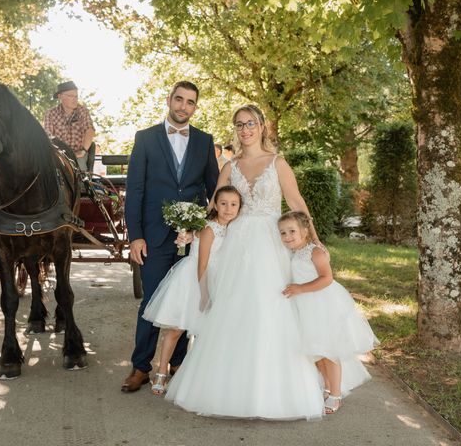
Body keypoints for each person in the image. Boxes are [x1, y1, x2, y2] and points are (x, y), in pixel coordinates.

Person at [166, 104, 324, 420]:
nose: (245, 129)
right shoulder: (230, 166)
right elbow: (215, 207)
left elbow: (295, 202)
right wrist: (193, 232)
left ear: (262, 126)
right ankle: (225, 387)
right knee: (232, 306)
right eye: (239, 124)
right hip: (235, 245)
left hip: (271, 243)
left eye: (250, 123)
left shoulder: (278, 163)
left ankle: (273, 389)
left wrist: (314, 240)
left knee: (271, 307)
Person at [123, 81, 219, 393]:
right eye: (179, 99)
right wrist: (135, 236)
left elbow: (213, 191)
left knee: (186, 300)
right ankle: (140, 367)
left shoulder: (204, 142)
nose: (183, 106)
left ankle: (178, 363)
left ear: (195, 107)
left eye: (190, 102)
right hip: (153, 236)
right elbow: (135, 190)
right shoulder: (146, 138)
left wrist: (200, 227)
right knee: (151, 301)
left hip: (190, 238)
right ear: (169, 100)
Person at [143, 185, 242, 395]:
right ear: (215, 204)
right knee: (177, 329)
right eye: (223, 203)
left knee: (208, 331)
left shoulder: (232, 228)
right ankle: (161, 372)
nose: (228, 209)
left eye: (234, 204)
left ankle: (199, 374)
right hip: (194, 281)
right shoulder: (209, 228)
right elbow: (202, 265)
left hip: (216, 280)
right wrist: (205, 294)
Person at [278, 210, 379, 414]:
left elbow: (327, 278)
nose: (287, 237)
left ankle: (336, 394)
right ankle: (326, 386)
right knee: (316, 352)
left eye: (292, 231)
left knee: (329, 351)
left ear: (305, 231)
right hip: (304, 307)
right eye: (283, 233)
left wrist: (300, 288)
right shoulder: (294, 252)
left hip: (322, 304)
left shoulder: (315, 252)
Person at [43, 81, 95, 171]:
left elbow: (89, 130)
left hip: (78, 154)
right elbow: (48, 136)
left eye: (76, 96)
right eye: (71, 96)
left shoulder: (82, 111)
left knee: (80, 174)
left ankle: (83, 184)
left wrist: (83, 151)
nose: (75, 99)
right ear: (60, 96)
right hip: (58, 156)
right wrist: (58, 154)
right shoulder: (51, 113)